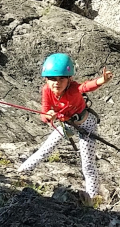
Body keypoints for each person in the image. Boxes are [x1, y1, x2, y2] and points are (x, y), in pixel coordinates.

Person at [16, 53, 113, 202]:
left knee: (87, 164)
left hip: (86, 125)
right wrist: (49, 116)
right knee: (45, 149)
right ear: (46, 80)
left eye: (62, 78)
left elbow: (85, 87)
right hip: (67, 124)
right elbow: (44, 113)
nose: (57, 82)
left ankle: (91, 197)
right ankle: (21, 172)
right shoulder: (46, 91)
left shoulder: (74, 88)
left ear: (70, 79)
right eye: (52, 79)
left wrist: (102, 80)